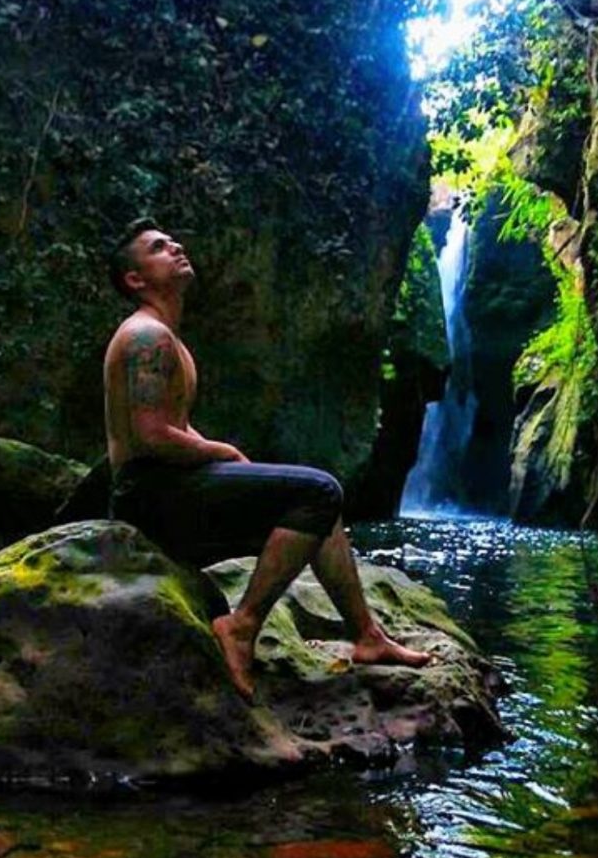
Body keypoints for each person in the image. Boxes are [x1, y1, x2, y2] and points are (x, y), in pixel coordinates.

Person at [100, 218, 431, 698]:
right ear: (136, 279)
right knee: (319, 491)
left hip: (166, 491)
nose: (175, 246)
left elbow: (176, 428)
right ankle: (242, 626)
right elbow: (151, 436)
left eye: (173, 240)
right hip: (150, 496)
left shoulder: (166, 339)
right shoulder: (146, 336)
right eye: (158, 247)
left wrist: (229, 467)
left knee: (320, 508)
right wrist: (224, 453)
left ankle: (368, 637)